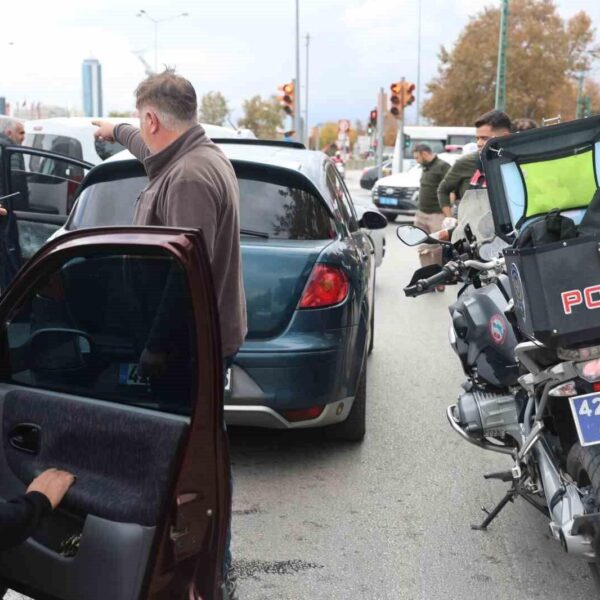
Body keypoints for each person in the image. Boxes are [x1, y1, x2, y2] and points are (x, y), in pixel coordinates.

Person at [92, 68, 246, 600]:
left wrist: (155, 349)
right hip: (198, 345)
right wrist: (114, 130)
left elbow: (183, 281)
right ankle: (203, 565)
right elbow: (146, 148)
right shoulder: (194, 156)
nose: (140, 128)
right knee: (201, 452)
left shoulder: (187, 180)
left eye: (140, 121)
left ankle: (202, 572)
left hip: (185, 350)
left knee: (191, 464)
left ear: (154, 117)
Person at [437, 110, 512, 211]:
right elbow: (443, 190)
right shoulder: (465, 162)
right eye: (477, 138)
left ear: (504, 137)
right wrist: (449, 218)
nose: (479, 143)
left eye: (484, 138)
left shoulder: (517, 162)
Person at [412, 143, 451, 285]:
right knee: (422, 247)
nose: (416, 161)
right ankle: (427, 279)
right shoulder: (425, 167)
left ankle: (439, 280)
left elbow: (450, 189)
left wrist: (448, 213)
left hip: (437, 215)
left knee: (436, 250)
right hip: (421, 213)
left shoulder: (443, 166)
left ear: (424, 153)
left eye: (417, 157)